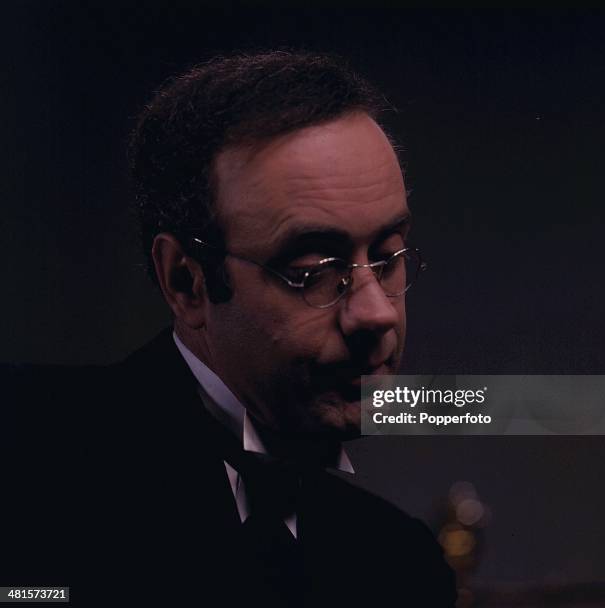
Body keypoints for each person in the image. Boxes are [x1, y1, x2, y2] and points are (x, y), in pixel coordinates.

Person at [2, 51, 455, 606]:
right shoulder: (23, 456)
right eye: (312, 272)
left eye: (387, 258)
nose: (378, 313)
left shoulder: (400, 567)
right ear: (185, 282)